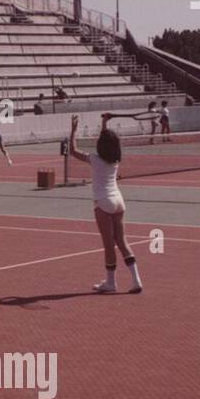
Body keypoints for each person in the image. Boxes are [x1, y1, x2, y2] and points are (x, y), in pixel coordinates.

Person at [68, 114, 142, 294]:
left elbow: (72, 150)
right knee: (122, 241)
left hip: (103, 202)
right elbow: (106, 141)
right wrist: (103, 123)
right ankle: (136, 281)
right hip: (118, 201)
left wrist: (73, 130)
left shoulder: (94, 159)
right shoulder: (115, 160)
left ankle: (111, 283)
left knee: (109, 244)